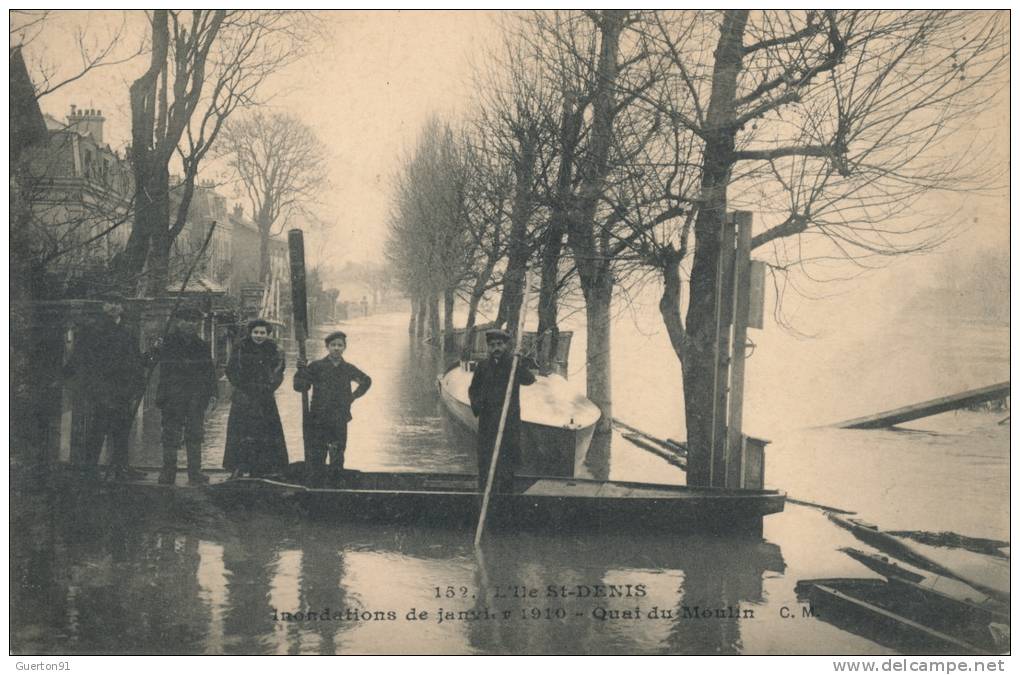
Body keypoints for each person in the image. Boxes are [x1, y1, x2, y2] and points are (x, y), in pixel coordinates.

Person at [64, 294, 146, 481]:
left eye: (118, 303)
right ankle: (90, 467)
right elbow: (79, 357)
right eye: (109, 303)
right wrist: (68, 375)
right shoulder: (91, 331)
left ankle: (121, 467)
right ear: (102, 306)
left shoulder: (127, 332)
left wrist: (139, 379)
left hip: (122, 389)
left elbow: (135, 361)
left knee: (122, 428)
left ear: (123, 307)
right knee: (98, 427)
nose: (114, 307)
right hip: (100, 388)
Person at [294, 331, 371, 486]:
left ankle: (335, 485)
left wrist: (353, 396)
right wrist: (300, 371)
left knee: (337, 453)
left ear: (344, 348)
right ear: (327, 347)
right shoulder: (316, 367)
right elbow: (300, 386)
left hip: (339, 418)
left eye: (340, 345)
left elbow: (366, 381)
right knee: (318, 453)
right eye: (333, 345)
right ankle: (316, 485)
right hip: (318, 417)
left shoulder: (348, 369)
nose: (336, 348)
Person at [153, 308, 218, 485]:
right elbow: (151, 362)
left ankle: (195, 472)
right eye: (186, 320)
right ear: (178, 322)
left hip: (196, 397)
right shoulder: (167, 343)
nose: (190, 324)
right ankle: (168, 471)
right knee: (170, 434)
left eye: (194, 320)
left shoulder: (202, 346)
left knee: (195, 434)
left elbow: (209, 372)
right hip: (172, 396)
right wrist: (155, 349)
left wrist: (213, 393)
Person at [467, 328, 536, 493]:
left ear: (506, 346)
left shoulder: (513, 365)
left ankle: (505, 498)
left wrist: (519, 364)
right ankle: (484, 495)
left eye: (499, 344)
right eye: (492, 345)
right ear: (488, 348)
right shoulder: (483, 366)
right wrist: (479, 406)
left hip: (508, 423)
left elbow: (529, 380)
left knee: (506, 463)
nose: (496, 348)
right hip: (488, 422)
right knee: (486, 460)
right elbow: (473, 390)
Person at [223, 319, 288, 478]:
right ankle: (237, 467)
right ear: (250, 333)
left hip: (264, 398)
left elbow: (278, 372)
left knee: (264, 433)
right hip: (243, 397)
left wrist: (268, 388)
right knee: (240, 432)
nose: (259, 336)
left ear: (267, 334)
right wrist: (243, 387)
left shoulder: (274, 350)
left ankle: (261, 469)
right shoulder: (240, 348)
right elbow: (231, 370)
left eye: (262, 333)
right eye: (256, 332)